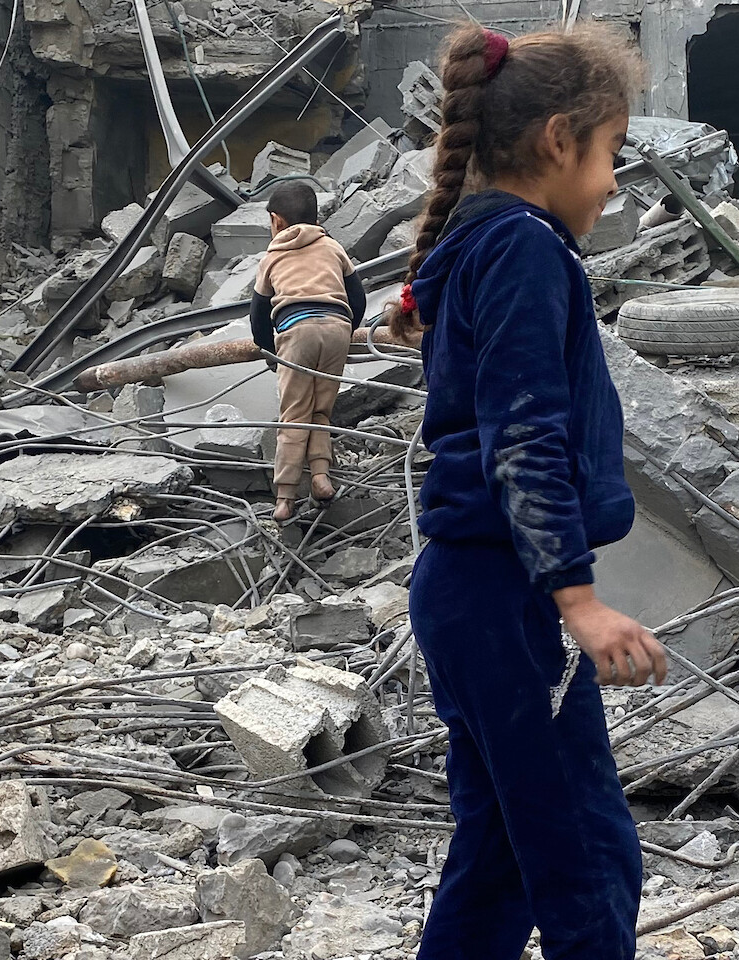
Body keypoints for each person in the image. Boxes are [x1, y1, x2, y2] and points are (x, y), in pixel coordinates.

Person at [381, 21, 665, 960]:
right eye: (611, 152)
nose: (615, 180)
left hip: (468, 591)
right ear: (557, 139)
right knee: (588, 860)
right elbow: (525, 430)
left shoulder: (481, 241)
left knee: (502, 858)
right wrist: (576, 601)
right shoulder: (525, 248)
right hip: (504, 596)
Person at [249, 181, 363, 522]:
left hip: (296, 332)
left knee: (294, 414)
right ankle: (320, 478)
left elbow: (258, 315)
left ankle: (284, 497)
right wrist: (346, 331)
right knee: (321, 410)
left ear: (277, 221)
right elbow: (357, 297)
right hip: (337, 327)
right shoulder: (332, 247)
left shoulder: (272, 257)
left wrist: (272, 353)